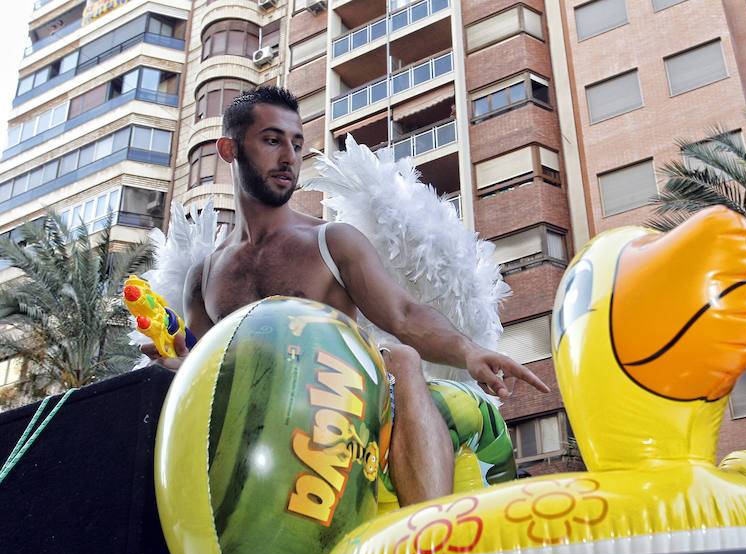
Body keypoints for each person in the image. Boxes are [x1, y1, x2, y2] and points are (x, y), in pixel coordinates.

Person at [143, 86, 549, 506]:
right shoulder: (205, 274)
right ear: (229, 149)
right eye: (271, 140)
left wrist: (468, 351)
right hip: (256, 435)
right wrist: (171, 360)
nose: (289, 158)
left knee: (403, 357)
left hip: (339, 418)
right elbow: (200, 365)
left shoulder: (330, 242)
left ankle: (427, 544)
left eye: (297, 144)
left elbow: (404, 315)